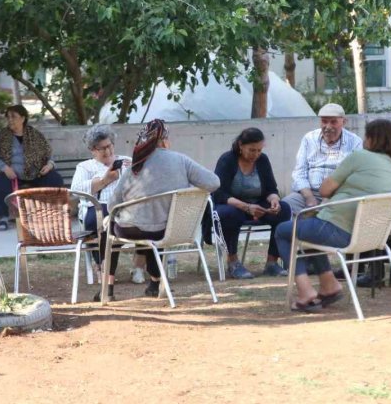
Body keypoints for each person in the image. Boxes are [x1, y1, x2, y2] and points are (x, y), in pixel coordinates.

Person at [275, 119, 391, 312]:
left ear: (372, 138)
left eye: (366, 136)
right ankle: (329, 285)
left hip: (337, 230)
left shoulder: (360, 157)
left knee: (284, 231)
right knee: (307, 228)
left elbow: (325, 190)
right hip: (371, 237)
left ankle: (305, 291)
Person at [107, 119, 220, 297]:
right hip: (171, 230)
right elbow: (213, 183)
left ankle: (107, 289)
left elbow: (111, 206)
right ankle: (154, 283)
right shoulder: (182, 161)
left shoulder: (135, 165)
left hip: (133, 231)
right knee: (156, 225)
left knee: (107, 229)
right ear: (165, 140)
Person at [69, 125, 147, 301]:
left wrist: (131, 174)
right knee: (108, 222)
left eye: (109, 145)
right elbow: (75, 190)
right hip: (96, 208)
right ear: (92, 150)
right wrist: (104, 180)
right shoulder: (85, 167)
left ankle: (137, 268)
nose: (107, 150)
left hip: (124, 207)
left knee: (143, 217)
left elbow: (143, 183)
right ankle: (105, 271)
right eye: (102, 148)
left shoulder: (126, 161)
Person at [211, 128, 291, 280]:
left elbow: (271, 189)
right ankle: (233, 262)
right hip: (233, 205)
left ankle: (272, 263)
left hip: (257, 204)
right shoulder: (227, 160)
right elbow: (219, 193)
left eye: (259, 150)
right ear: (241, 145)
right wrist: (246, 207)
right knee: (229, 214)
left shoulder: (263, 160)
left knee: (284, 209)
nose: (256, 154)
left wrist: (274, 200)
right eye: (251, 150)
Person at [280, 103, 363, 217]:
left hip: (338, 195)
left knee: (337, 212)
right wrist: (309, 198)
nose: (328, 126)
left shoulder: (355, 141)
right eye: (324, 121)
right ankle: (295, 233)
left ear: (344, 122)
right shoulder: (309, 138)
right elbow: (299, 172)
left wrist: (330, 197)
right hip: (309, 193)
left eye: (333, 122)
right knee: (284, 206)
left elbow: (355, 177)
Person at [0, 104, 64, 231]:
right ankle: (3, 218)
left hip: (36, 173)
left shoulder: (35, 135)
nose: (10, 120)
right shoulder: (3, 136)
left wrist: (49, 165)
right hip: (13, 175)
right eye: (8, 117)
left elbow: (49, 155)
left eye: (13, 117)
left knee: (54, 178)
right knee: (0, 181)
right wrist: (5, 168)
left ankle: (53, 215)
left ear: (23, 118)